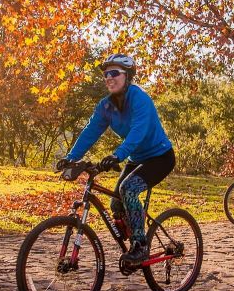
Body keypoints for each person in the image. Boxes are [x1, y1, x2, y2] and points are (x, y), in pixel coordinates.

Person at [57, 54, 175, 267]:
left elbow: (138, 132)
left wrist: (117, 155)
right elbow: (90, 132)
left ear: (127, 76)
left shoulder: (140, 99)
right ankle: (134, 235)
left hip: (160, 157)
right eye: (105, 74)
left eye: (114, 73)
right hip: (136, 158)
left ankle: (140, 246)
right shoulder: (105, 106)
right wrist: (70, 157)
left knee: (128, 190)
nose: (108, 78)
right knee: (116, 204)